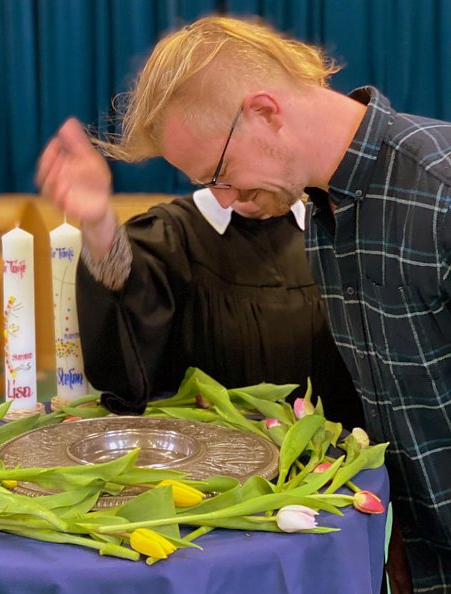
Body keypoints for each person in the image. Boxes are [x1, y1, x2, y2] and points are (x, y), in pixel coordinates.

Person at [36, 16, 451, 593]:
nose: (224, 197)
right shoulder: (333, 220)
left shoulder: (437, 186)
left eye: (221, 174)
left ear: (264, 112)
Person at [75, 186, 364, 429]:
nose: (239, 185)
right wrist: (100, 227)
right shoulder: (172, 234)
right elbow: (125, 309)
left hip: (331, 458)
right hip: (215, 465)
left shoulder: (330, 228)